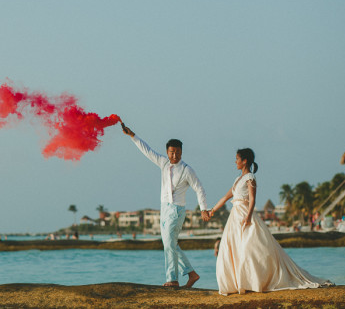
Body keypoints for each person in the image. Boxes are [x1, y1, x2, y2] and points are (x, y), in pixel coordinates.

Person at [209, 148, 333, 295]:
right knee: (234, 248)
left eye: (237, 158)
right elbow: (225, 197)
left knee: (251, 248)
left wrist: (248, 216)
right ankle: (239, 282)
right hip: (234, 217)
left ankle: (254, 281)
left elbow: (253, 199)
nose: (235, 161)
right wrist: (212, 211)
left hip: (244, 214)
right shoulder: (237, 180)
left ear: (245, 161)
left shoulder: (250, 177)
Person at [120, 120, 210, 288]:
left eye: (177, 152)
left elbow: (199, 189)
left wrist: (203, 209)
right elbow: (147, 151)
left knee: (169, 244)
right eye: (171, 152)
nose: (174, 155)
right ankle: (191, 273)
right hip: (164, 209)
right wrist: (132, 135)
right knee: (170, 244)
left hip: (177, 211)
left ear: (182, 152)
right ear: (167, 152)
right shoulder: (163, 163)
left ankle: (173, 279)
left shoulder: (187, 170)